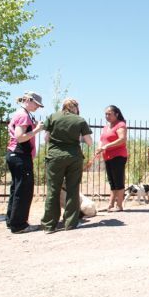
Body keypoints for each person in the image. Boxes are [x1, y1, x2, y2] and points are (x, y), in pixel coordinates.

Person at [40, 98, 93, 233]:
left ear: (63, 106)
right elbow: (89, 142)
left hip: (54, 157)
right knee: (72, 190)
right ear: (75, 107)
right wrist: (76, 137)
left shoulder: (52, 117)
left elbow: (46, 139)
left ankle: (49, 225)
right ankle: (70, 223)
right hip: (74, 157)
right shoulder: (79, 120)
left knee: (53, 190)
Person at [5, 91, 45, 234]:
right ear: (28, 100)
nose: (37, 107)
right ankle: (19, 225)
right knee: (24, 190)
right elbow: (20, 137)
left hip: (15, 155)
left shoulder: (22, 114)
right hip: (20, 155)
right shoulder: (23, 115)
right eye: (36, 104)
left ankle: (12, 221)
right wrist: (37, 130)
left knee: (16, 188)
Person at [95, 105, 128, 211]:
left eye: (109, 114)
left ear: (116, 114)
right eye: (106, 114)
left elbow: (122, 139)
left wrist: (107, 146)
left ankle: (119, 205)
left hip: (118, 156)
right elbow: (101, 139)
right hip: (107, 156)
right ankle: (110, 205)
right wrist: (99, 148)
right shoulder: (106, 127)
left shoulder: (120, 125)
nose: (107, 116)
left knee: (118, 181)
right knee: (112, 181)